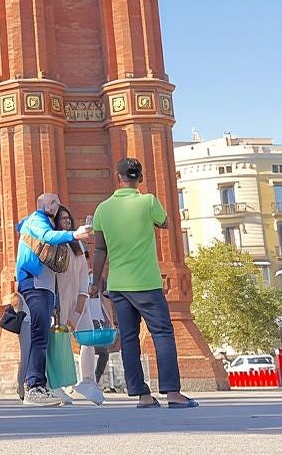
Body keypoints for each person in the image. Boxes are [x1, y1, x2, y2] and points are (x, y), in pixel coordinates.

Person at [91, 157, 198, 409]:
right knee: (161, 334)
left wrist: (96, 282)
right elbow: (166, 223)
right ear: (140, 178)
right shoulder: (148, 201)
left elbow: (99, 249)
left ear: (118, 177)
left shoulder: (102, 209)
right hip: (146, 283)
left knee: (128, 339)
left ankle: (143, 396)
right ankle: (172, 393)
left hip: (117, 285)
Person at [15, 192, 92, 407]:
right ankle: (34, 387)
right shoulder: (37, 220)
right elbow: (47, 237)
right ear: (43, 204)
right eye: (52, 201)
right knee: (39, 337)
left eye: (56, 201)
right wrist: (74, 234)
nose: (55, 205)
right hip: (34, 283)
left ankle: (39, 385)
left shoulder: (43, 221)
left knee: (42, 337)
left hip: (44, 287)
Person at [51, 205, 105, 405]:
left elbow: (84, 274)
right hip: (59, 302)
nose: (66, 222)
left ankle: (87, 381)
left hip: (78, 299)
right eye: (62, 219)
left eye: (68, 219)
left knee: (87, 337)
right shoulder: (53, 244)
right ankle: (56, 386)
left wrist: (82, 299)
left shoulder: (78, 246)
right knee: (59, 342)